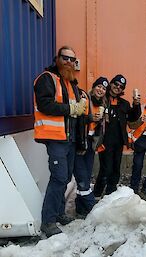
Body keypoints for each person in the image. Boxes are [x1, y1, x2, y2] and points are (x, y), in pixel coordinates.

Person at [34, 46, 86, 237]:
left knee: (64, 178)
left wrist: (80, 141)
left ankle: (59, 213)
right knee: (58, 177)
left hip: (69, 139)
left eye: (72, 59)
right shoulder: (47, 78)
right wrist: (71, 109)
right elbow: (45, 104)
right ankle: (48, 221)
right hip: (55, 138)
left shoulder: (71, 83)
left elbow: (78, 114)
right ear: (57, 59)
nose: (69, 62)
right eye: (65, 58)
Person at [93, 74, 141, 197]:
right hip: (105, 140)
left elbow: (133, 117)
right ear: (111, 84)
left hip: (118, 141)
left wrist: (136, 104)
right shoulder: (103, 99)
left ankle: (110, 193)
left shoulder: (124, 103)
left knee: (115, 169)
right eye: (116, 84)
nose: (118, 87)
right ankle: (97, 193)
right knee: (105, 169)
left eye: (121, 86)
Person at [73, 76, 109, 218]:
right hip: (80, 143)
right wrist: (90, 118)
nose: (101, 90)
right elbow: (76, 116)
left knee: (86, 176)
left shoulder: (103, 104)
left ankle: (80, 208)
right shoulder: (84, 99)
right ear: (94, 87)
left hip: (91, 144)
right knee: (82, 177)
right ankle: (94, 210)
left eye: (104, 88)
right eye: (99, 86)